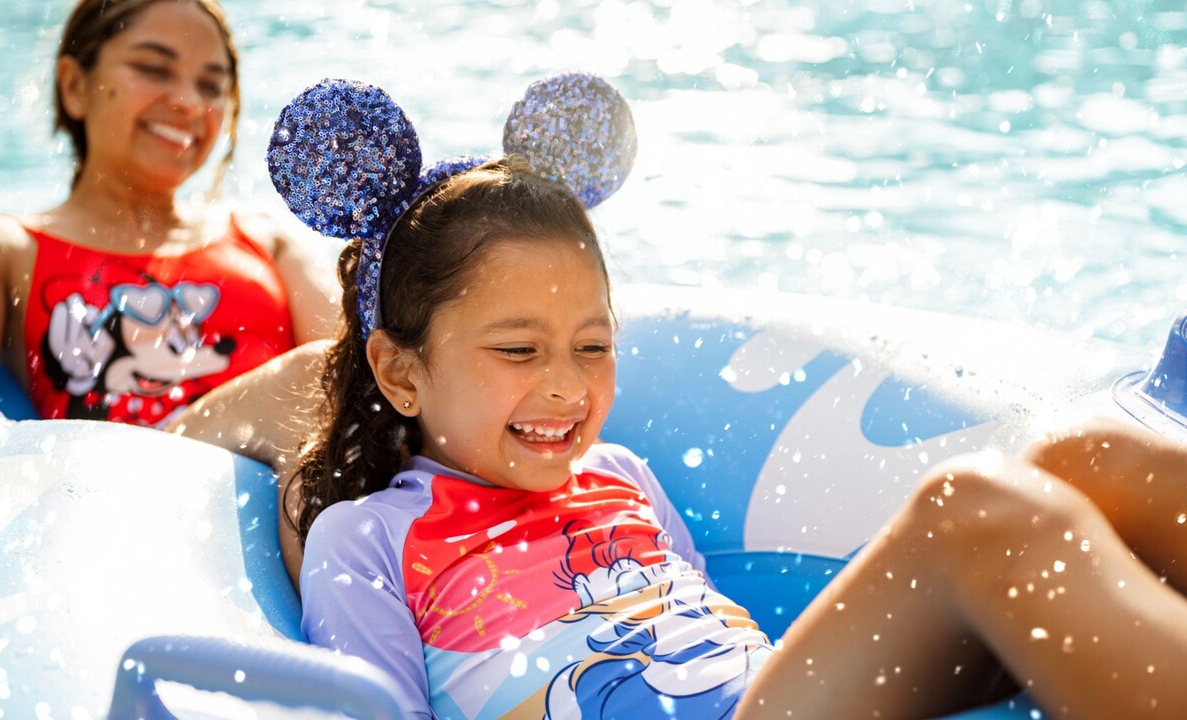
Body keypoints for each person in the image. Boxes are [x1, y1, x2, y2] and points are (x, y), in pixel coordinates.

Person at [164, 75, 1187, 718]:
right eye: (517, 350)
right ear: (399, 371)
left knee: (1082, 463)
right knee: (973, 515)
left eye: (594, 345)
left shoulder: (620, 476)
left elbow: (710, 626)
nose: (565, 386)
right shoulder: (370, 538)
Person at [0, 0, 340, 428]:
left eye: (211, 86)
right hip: (108, 488)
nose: (189, 102)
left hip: (273, 475)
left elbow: (361, 373)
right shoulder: (1, 247)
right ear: (75, 86)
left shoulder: (269, 243)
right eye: (154, 69)